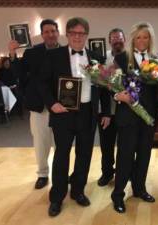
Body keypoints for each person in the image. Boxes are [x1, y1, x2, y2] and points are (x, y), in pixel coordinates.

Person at [38, 17, 110, 217]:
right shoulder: (54, 55)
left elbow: (103, 88)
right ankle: (57, 197)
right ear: (67, 34)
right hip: (63, 113)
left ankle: (78, 190)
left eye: (82, 33)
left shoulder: (97, 57)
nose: (78, 37)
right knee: (61, 155)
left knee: (84, 154)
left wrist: (105, 112)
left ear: (86, 36)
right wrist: (52, 103)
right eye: (74, 33)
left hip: (88, 113)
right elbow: (42, 83)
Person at [112, 22, 158, 213]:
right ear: (133, 39)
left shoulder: (156, 60)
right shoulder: (122, 58)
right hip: (127, 117)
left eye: (146, 37)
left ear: (150, 39)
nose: (142, 41)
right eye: (138, 37)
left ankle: (139, 189)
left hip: (148, 117)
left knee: (144, 155)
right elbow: (110, 84)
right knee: (124, 156)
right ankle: (117, 195)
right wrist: (118, 95)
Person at [8, 19, 60, 189]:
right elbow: (20, 74)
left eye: (53, 31)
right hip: (39, 107)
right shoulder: (32, 53)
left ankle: (61, 174)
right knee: (41, 143)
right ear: (42, 34)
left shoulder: (65, 52)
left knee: (61, 143)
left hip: (61, 107)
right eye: (47, 32)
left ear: (58, 32)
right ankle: (43, 174)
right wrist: (13, 54)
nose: (50, 34)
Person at [97, 28, 126, 187]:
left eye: (119, 38)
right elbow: (100, 87)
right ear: (110, 42)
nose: (117, 41)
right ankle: (107, 173)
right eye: (114, 39)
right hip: (107, 112)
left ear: (125, 40)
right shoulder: (103, 60)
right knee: (106, 145)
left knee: (125, 145)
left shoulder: (129, 59)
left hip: (126, 110)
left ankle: (124, 173)